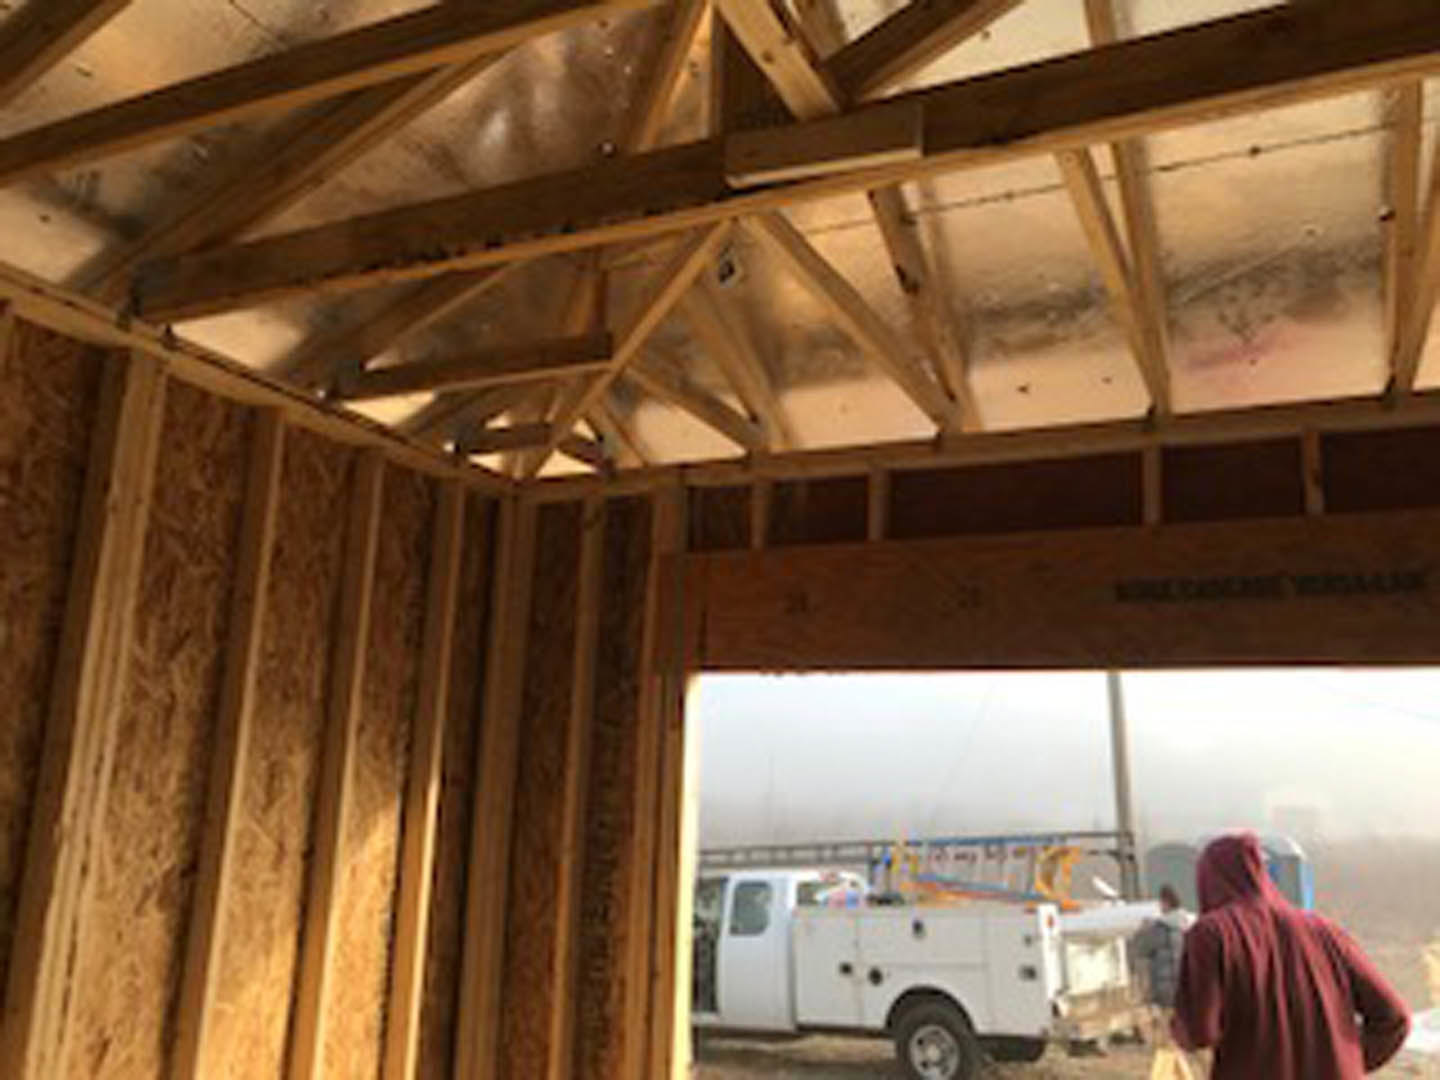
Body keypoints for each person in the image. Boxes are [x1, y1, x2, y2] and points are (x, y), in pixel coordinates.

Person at [1171, 832, 1411, 1079]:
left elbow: (1199, 1031)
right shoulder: (1326, 932)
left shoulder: (1210, 934)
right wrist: (1348, 1061)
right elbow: (1394, 1017)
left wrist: (1175, 1026)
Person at [1133, 884, 1196, 1011]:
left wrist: (1143, 930)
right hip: (1187, 987)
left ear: (1165, 903)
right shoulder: (1190, 924)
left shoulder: (1158, 928)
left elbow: (1141, 950)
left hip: (1164, 991)